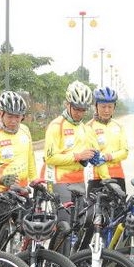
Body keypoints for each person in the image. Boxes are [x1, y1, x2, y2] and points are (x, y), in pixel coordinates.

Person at [43, 81, 109, 218]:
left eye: (83, 110)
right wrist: (78, 156)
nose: (79, 113)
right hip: (59, 181)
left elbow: (97, 157)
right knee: (65, 222)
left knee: (81, 222)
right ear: (67, 104)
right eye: (76, 109)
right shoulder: (56, 126)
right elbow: (50, 158)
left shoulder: (85, 128)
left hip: (79, 181)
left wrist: (106, 179)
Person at [0, 90, 37, 188]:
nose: (13, 121)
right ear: (1, 114)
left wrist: (34, 180)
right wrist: (0, 179)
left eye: (17, 117)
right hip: (1, 191)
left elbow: (30, 158)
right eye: (9, 116)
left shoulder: (25, 130)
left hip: (23, 189)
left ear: (22, 116)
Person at [87, 86, 128, 194]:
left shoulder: (119, 126)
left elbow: (124, 152)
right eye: (103, 106)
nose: (107, 110)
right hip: (97, 179)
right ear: (96, 106)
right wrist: (107, 179)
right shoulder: (89, 127)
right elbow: (96, 156)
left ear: (114, 107)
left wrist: (109, 156)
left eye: (110, 107)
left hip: (118, 177)